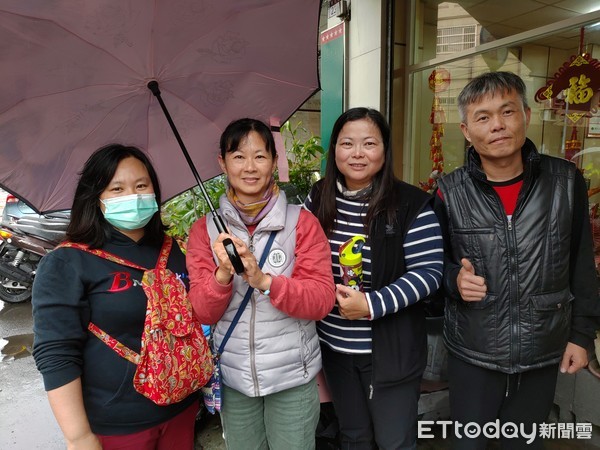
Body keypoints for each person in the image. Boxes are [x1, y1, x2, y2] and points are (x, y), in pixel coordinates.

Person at [435, 71, 600, 449]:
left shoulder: (565, 182)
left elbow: (581, 264)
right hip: (473, 349)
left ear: (526, 114)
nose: (497, 125)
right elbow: (432, 267)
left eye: (507, 112)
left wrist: (581, 336)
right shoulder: (449, 192)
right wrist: (453, 280)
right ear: (465, 129)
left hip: (542, 348)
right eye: (483, 117)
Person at [32, 144, 201, 450]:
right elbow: (56, 353)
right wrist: (79, 436)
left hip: (182, 407)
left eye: (141, 186)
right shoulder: (67, 262)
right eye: (117, 188)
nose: (133, 197)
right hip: (117, 426)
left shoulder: (175, 249)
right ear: (95, 198)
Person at [186, 118, 335, 450]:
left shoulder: (301, 223)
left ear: (274, 161)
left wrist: (264, 281)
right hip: (235, 379)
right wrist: (222, 275)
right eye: (238, 157)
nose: (249, 167)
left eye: (260, 156)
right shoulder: (205, 231)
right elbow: (202, 311)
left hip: (293, 378)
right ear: (222, 163)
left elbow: (322, 300)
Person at [304, 107, 444, 449]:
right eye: (347, 143)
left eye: (369, 143)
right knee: (353, 436)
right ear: (334, 148)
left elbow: (428, 274)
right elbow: (302, 258)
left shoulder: (412, 204)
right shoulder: (318, 197)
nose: (357, 153)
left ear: (385, 149)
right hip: (334, 347)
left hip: (390, 352)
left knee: (395, 441)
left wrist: (370, 304)